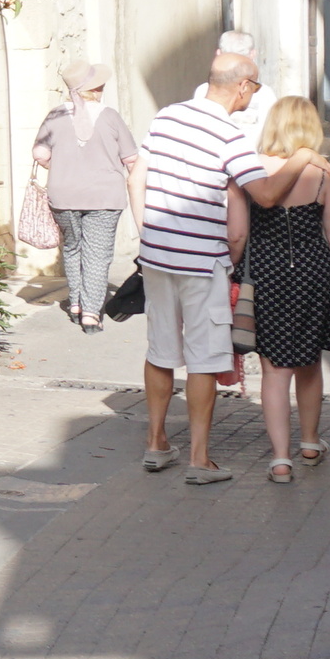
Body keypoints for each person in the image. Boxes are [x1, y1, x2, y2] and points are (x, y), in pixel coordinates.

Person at [134, 40, 268, 484]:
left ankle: (156, 444)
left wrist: (145, 229)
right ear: (243, 87)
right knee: (205, 359)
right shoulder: (232, 136)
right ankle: (198, 458)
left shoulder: (167, 115)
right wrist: (304, 161)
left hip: (156, 254)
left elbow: (139, 172)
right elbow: (261, 197)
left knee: (160, 350)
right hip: (203, 261)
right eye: (255, 88)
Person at [229, 95, 330, 482]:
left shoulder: (248, 173)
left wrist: (230, 272)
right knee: (310, 363)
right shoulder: (322, 174)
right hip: (313, 273)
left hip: (266, 275)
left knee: (274, 370)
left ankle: (280, 459)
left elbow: (237, 234)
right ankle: (310, 442)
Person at [30, 62, 137, 333]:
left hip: (63, 195)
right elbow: (131, 158)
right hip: (104, 196)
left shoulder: (54, 115)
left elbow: (40, 155)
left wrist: (64, 165)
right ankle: (91, 312)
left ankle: (76, 303)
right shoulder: (110, 116)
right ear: (96, 89)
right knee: (97, 254)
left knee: (73, 247)